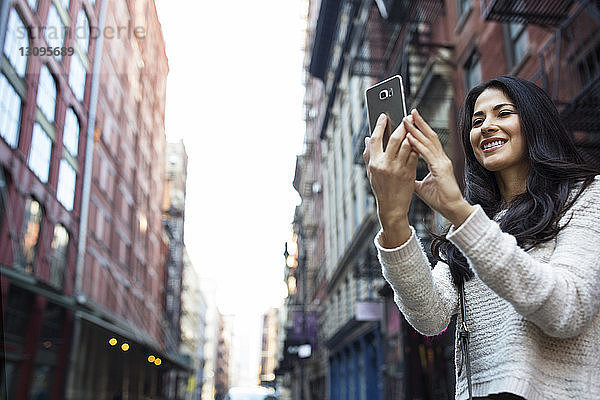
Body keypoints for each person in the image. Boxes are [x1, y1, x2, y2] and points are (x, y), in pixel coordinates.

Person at [362, 75, 600, 400]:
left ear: (535, 122)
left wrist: (459, 212)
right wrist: (392, 217)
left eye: (503, 113)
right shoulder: (473, 225)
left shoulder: (586, 196)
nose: (486, 126)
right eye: (477, 120)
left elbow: (567, 309)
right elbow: (430, 317)